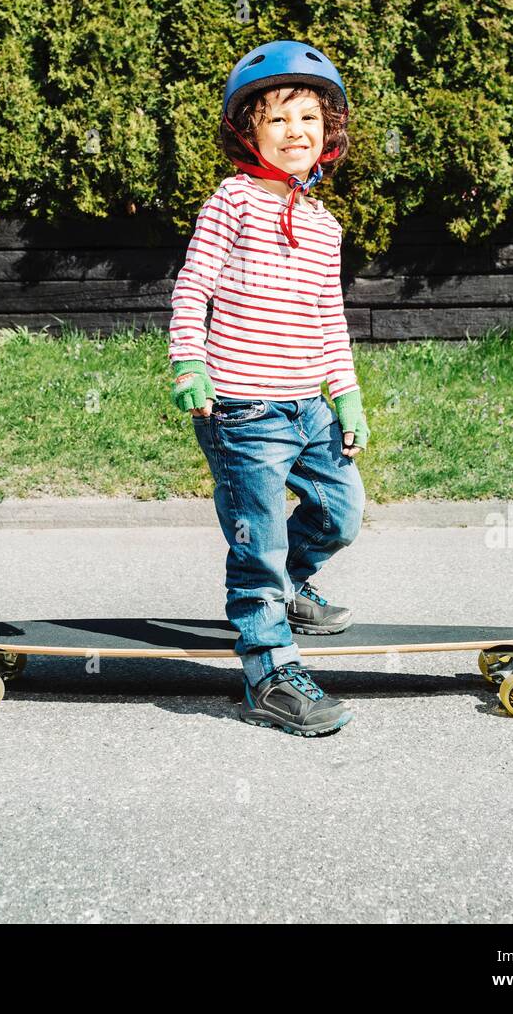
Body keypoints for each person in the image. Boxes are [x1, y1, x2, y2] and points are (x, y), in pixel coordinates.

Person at [168, 40, 369, 736]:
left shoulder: (323, 225)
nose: (296, 132)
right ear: (248, 131)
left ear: (329, 135)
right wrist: (187, 364)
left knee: (343, 511)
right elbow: (192, 287)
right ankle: (268, 666)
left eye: (309, 119)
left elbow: (328, 316)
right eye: (278, 119)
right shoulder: (232, 201)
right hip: (241, 408)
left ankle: (292, 585)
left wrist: (346, 395)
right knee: (258, 543)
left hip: (307, 406)